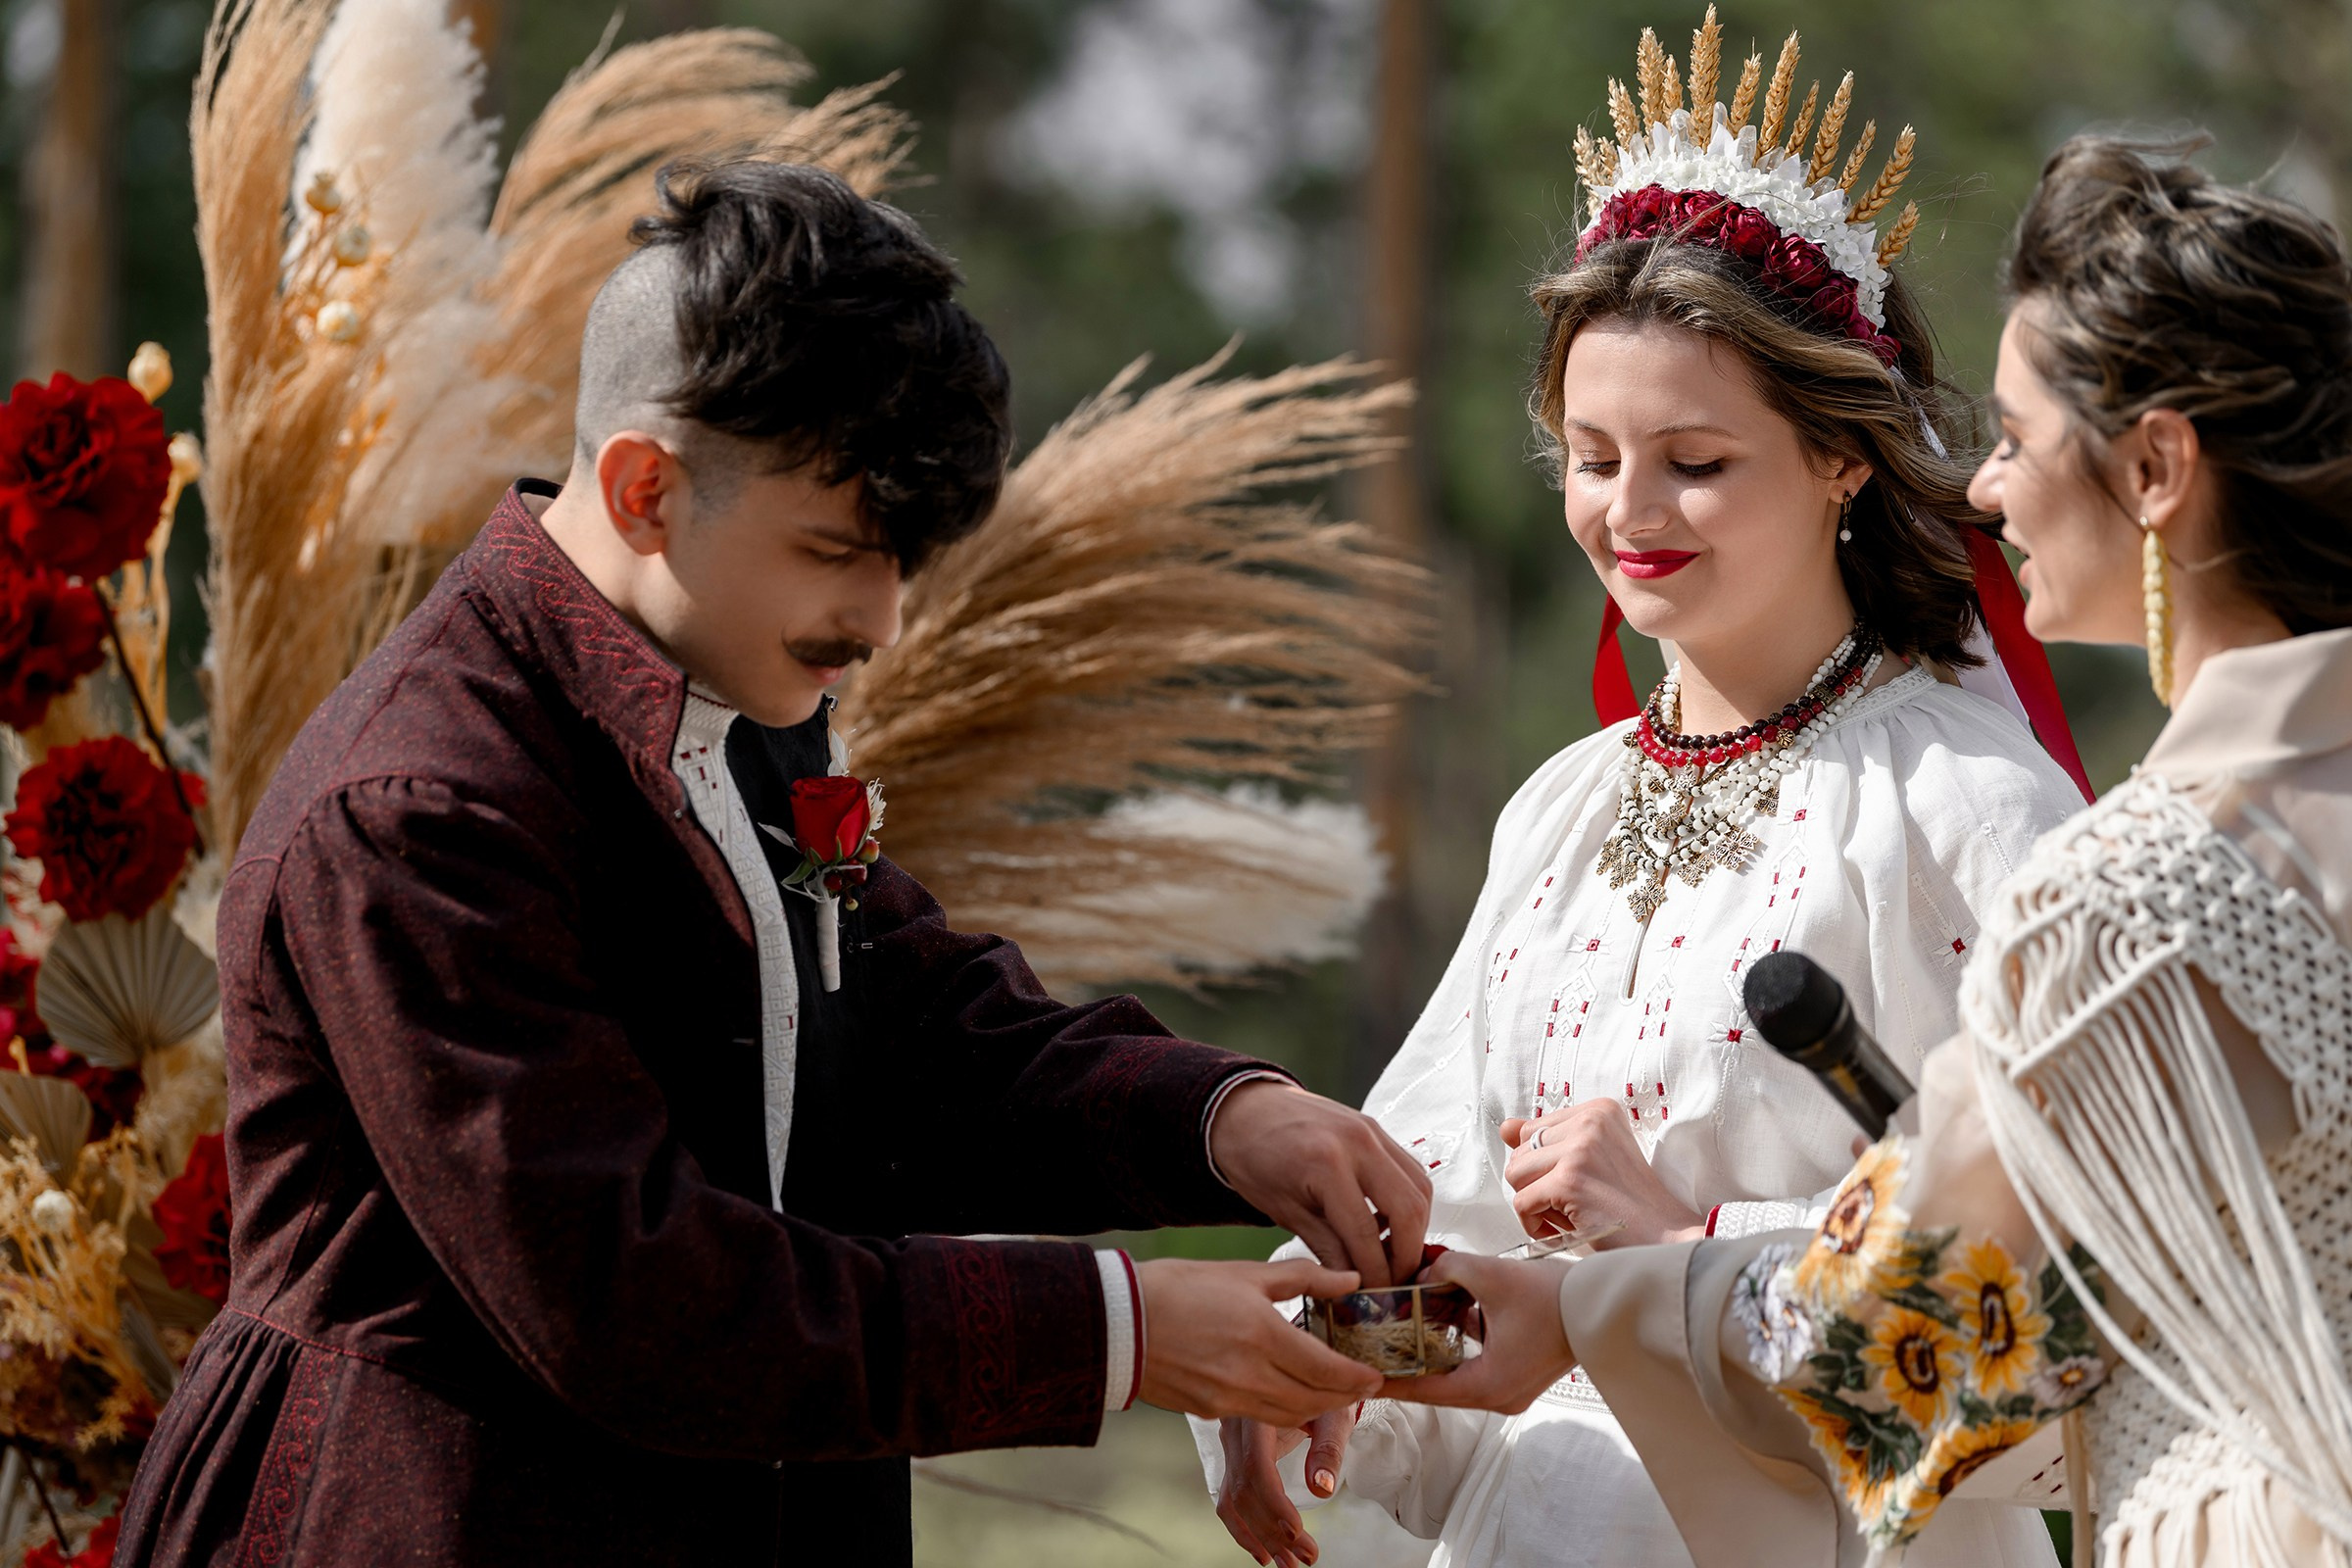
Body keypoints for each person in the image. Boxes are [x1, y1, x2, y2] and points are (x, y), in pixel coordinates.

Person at [112, 162, 1433, 1568]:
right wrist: (1117, 1333)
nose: (879, 615)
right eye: (833, 551)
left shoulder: (743, 690)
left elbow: (915, 1030)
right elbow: (633, 1304)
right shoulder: (420, 806)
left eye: (903, 559)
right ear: (643, 489)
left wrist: (1222, 1122)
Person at [1202, 15, 2085, 1568]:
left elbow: (2069, 1309)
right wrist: (1317, 1344)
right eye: (1591, 455)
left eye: (1695, 459)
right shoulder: (1563, 809)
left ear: (1839, 460)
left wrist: (1674, 1254)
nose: (1631, 513)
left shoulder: (1961, 804)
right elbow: (1435, 1185)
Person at [1407, 134, 2352, 1568]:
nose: (1980, 491)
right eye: (1593, 458)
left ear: (2157, 465)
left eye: (2021, 444)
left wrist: (1627, 1285)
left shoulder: (2152, 883)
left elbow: (1963, 1328)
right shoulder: (2245, 829)